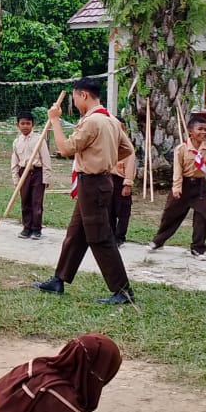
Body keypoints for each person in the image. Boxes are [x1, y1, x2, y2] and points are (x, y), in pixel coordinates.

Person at [33, 79, 137, 305]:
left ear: (84, 95)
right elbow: (128, 149)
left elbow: (65, 149)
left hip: (93, 184)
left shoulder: (92, 122)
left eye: (75, 98)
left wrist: (55, 120)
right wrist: (104, 158)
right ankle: (59, 279)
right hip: (95, 183)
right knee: (75, 234)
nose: (75, 103)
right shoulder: (111, 120)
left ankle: (122, 290)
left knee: (100, 237)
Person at [149, 115, 206, 260]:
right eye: (200, 129)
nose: (204, 132)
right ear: (190, 132)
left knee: (202, 216)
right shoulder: (181, 149)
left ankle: (198, 248)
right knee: (171, 214)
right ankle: (158, 241)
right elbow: (177, 170)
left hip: (200, 186)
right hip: (184, 184)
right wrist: (177, 187)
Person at [11, 110, 51, 240]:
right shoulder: (17, 142)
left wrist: (46, 178)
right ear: (18, 125)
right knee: (25, 201)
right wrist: (15, 178)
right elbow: (14, 162)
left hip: (37, 173)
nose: (25, 126)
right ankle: (26, 228)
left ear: (33, 125)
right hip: (24, 173)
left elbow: (46, 159)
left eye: (28, 123)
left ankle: (36, 229)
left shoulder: (39, 139)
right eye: (22, 123)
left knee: (36, 202)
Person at [109, 114, 137, 245]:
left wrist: (128, 183)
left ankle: (120, 236)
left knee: (123, 210)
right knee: (109, 209)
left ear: (123, 128)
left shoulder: (127, 145)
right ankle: (110, 235)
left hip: (121, 180)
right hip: (109, 179)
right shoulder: (109, 143)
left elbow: (130, 165)